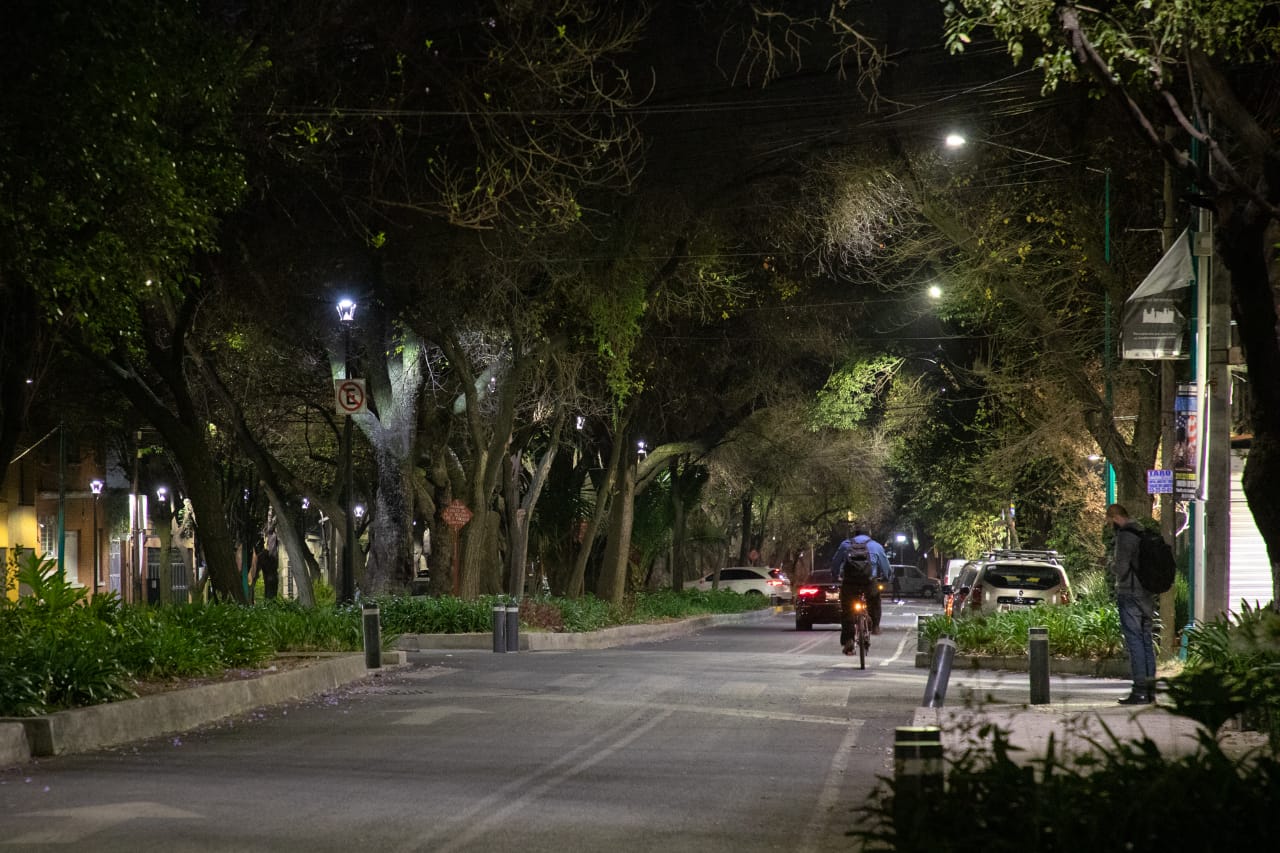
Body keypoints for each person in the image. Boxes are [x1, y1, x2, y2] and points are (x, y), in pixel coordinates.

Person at [1106, 503, 1156, 705]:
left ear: (1115, 517)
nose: (1110, 525)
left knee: (1134, 641)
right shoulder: (1143, 532)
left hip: (1130, 594)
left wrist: (1109, 563)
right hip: (1146, 594)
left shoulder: (1125, 536)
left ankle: (1139, 690)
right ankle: (1150, 690)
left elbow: (1121, 568)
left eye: (1110, 521)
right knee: (1146, 640)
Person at [831, 527, 889, 641]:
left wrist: (835, 576)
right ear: (869, 534)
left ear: (854, 534)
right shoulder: (876, 546)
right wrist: (886, 577)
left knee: (847, 608)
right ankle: (875, 626)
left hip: (850, 582)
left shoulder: (845, 545)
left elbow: (835, 563)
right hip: (868, 581)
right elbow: (886, 567)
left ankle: (848, 641)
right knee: (875, 600)